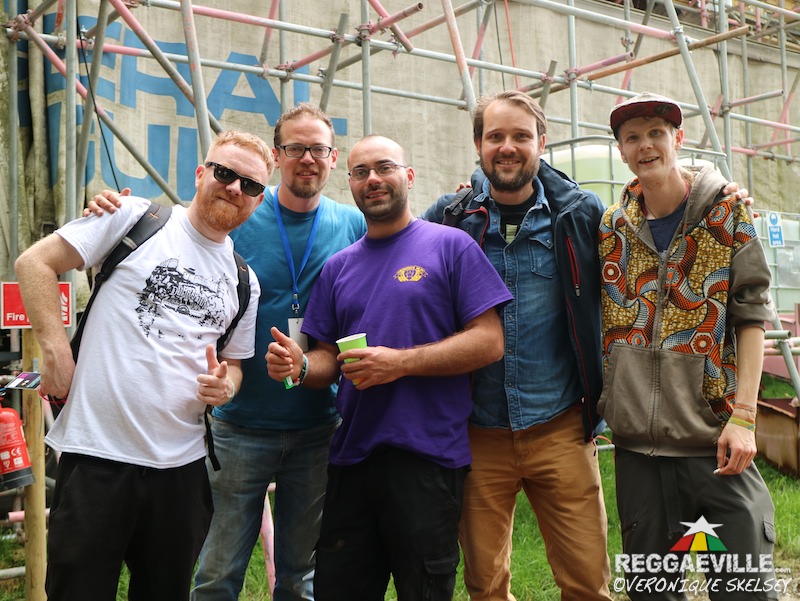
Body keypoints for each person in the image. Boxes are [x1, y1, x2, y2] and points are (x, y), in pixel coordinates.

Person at [87, 104, 367, 601]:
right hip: (238, 422)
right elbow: (176, 235)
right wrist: (108, 207)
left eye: (318, 149)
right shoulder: (243, 209)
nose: (308, 158)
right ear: (277, 157)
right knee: (217, 570)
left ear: (333, 157)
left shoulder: (351, 224)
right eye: (296, 148)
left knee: (301, 572)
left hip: (318, 424)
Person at [14, 129, 271, 601]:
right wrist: (55, 349)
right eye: (225, 173)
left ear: (258, 200)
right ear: (201, 173)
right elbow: (34, 263)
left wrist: (227, 386)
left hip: (182, 471)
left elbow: (234, 363)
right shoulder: (132, 217)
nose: (235, 188)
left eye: (251, 185)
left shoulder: (243, 281)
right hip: (98, 458)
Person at [266, 134, 513, 601]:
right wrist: (299, 367)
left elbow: (490, 341)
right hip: (351, 458)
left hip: (427, 458)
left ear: (409, 176)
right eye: (361, 172)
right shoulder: (339, 268)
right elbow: (326, 360)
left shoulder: (451, 247)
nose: (373, 179)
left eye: (384, 168)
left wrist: (400, 363)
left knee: (424, 589)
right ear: (351, 184)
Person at [422, 90, 612, 601]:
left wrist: (712, 191)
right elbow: (393, 256)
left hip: (561, 429)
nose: (508, 147)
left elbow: (647, 228)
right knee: (485, 585)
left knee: (588, 583)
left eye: (521, 136)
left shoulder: (580, 212)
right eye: (496, 136)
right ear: (479, 145)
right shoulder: (449, 216)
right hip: (477, 431)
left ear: (541, 143)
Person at [598, 92, 777, 599]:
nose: (646, 145)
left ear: (677, 139)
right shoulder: (612, 228)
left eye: (656, 132)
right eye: (633, 137)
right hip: (637, 450)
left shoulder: (726, 214)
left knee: (744, 587)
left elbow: (751, 315)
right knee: (652, 590)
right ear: (622, 151)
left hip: (711, 441)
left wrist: (744, 416)